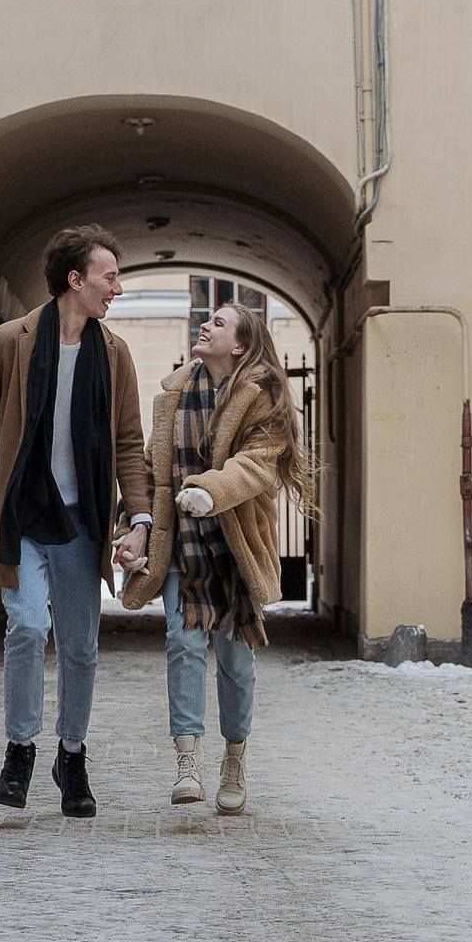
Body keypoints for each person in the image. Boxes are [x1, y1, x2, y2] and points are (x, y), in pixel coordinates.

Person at [0, 226, 153, 818]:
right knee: (23, 628)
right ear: (76, 280)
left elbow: (128, 443)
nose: (116, 288)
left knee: (81, 647)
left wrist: (140, 517)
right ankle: (19, 750)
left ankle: (71, 755)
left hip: (82, 522)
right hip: (21, 515)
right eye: (110, 276)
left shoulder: (115, 355)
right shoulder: (9, 342)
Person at [120, 301, 315, 814]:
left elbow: (257, 466)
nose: (204, 325)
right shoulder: (173, 395)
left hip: (235, 546)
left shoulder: (263, 399)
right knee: (182, 643)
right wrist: (134, 528)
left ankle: (234, 756)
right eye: (207, 320)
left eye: (219, 323)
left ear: (241, 346)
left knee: (234, 658)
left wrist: (210, 489)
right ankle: (187, 760)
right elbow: (147, 469)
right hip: (180, 541)